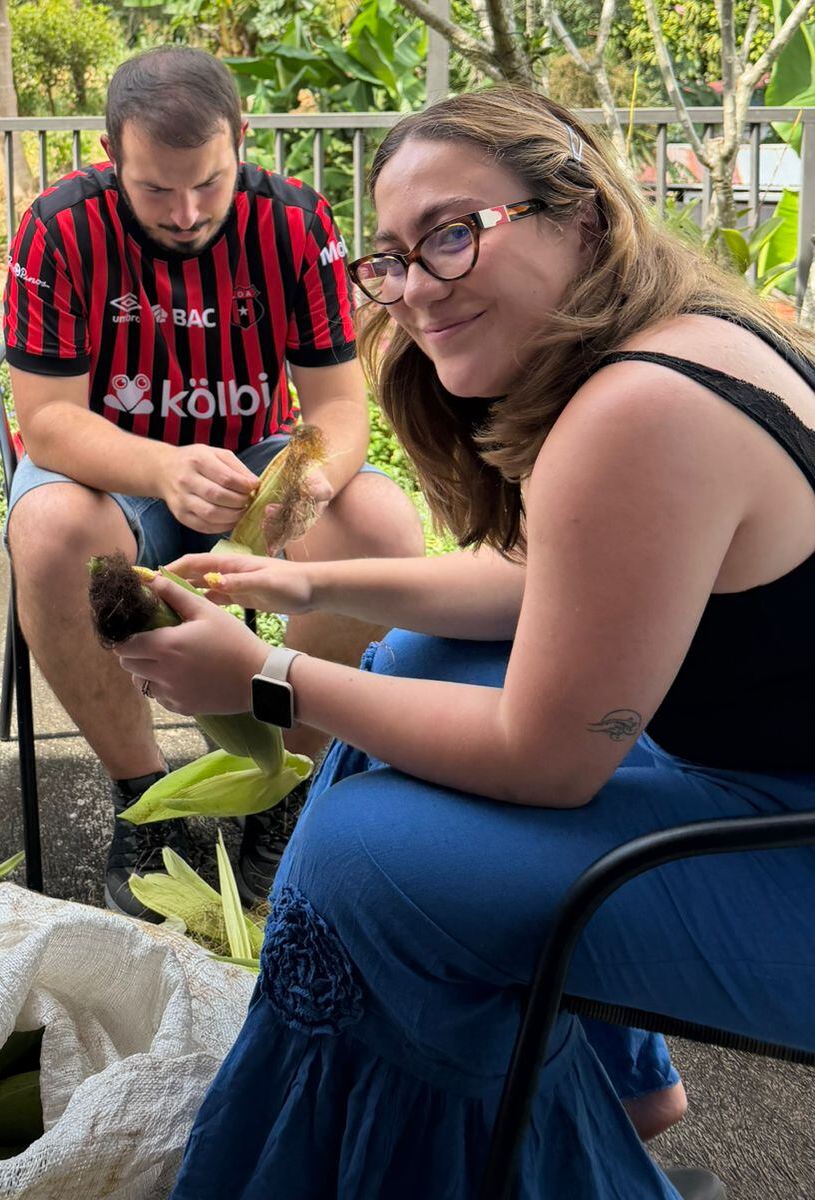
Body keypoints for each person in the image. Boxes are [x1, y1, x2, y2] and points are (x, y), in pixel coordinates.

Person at [110, 86, 815, 1200]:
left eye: (453, 232)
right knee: (411, 662)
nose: (417, 290)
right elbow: (551, 579)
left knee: (358, 868)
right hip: (764, 777)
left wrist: (265, 676)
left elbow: (548, 756)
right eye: (392, 256)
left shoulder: (640, 410)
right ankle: (608, 1085)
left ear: (581, 214)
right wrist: (301, 576)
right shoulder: (686, 337)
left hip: (785, 847)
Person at [2, 45, 423, 916]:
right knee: (48, 533)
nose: (187, 213)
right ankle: (144, 798)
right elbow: (46, 422)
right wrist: (163, 467)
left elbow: (341, 408)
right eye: (155, 189)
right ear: (112, 154)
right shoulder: (59, 226)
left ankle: (284, 789)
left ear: (244, 139)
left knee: (380, 520)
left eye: (209, 183)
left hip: (253, 457)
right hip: (111, 474)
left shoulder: (295, 223)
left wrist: (295, 492)